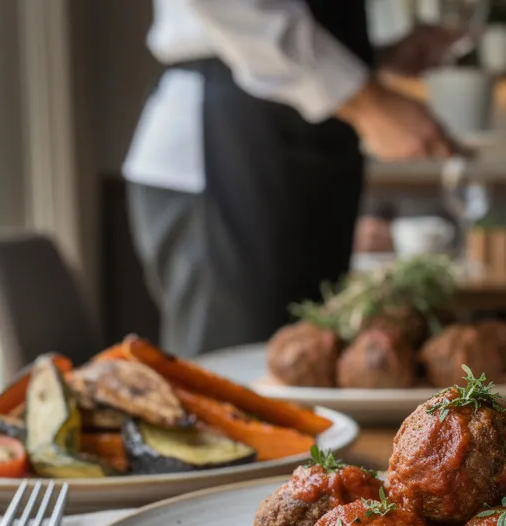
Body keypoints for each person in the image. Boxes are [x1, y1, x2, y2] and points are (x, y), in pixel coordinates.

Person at [124, 0, 462, 357]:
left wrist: (375, 58)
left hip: (302, 146)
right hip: (226, 140)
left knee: (310, 359)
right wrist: (367, 101)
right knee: (235, 373)